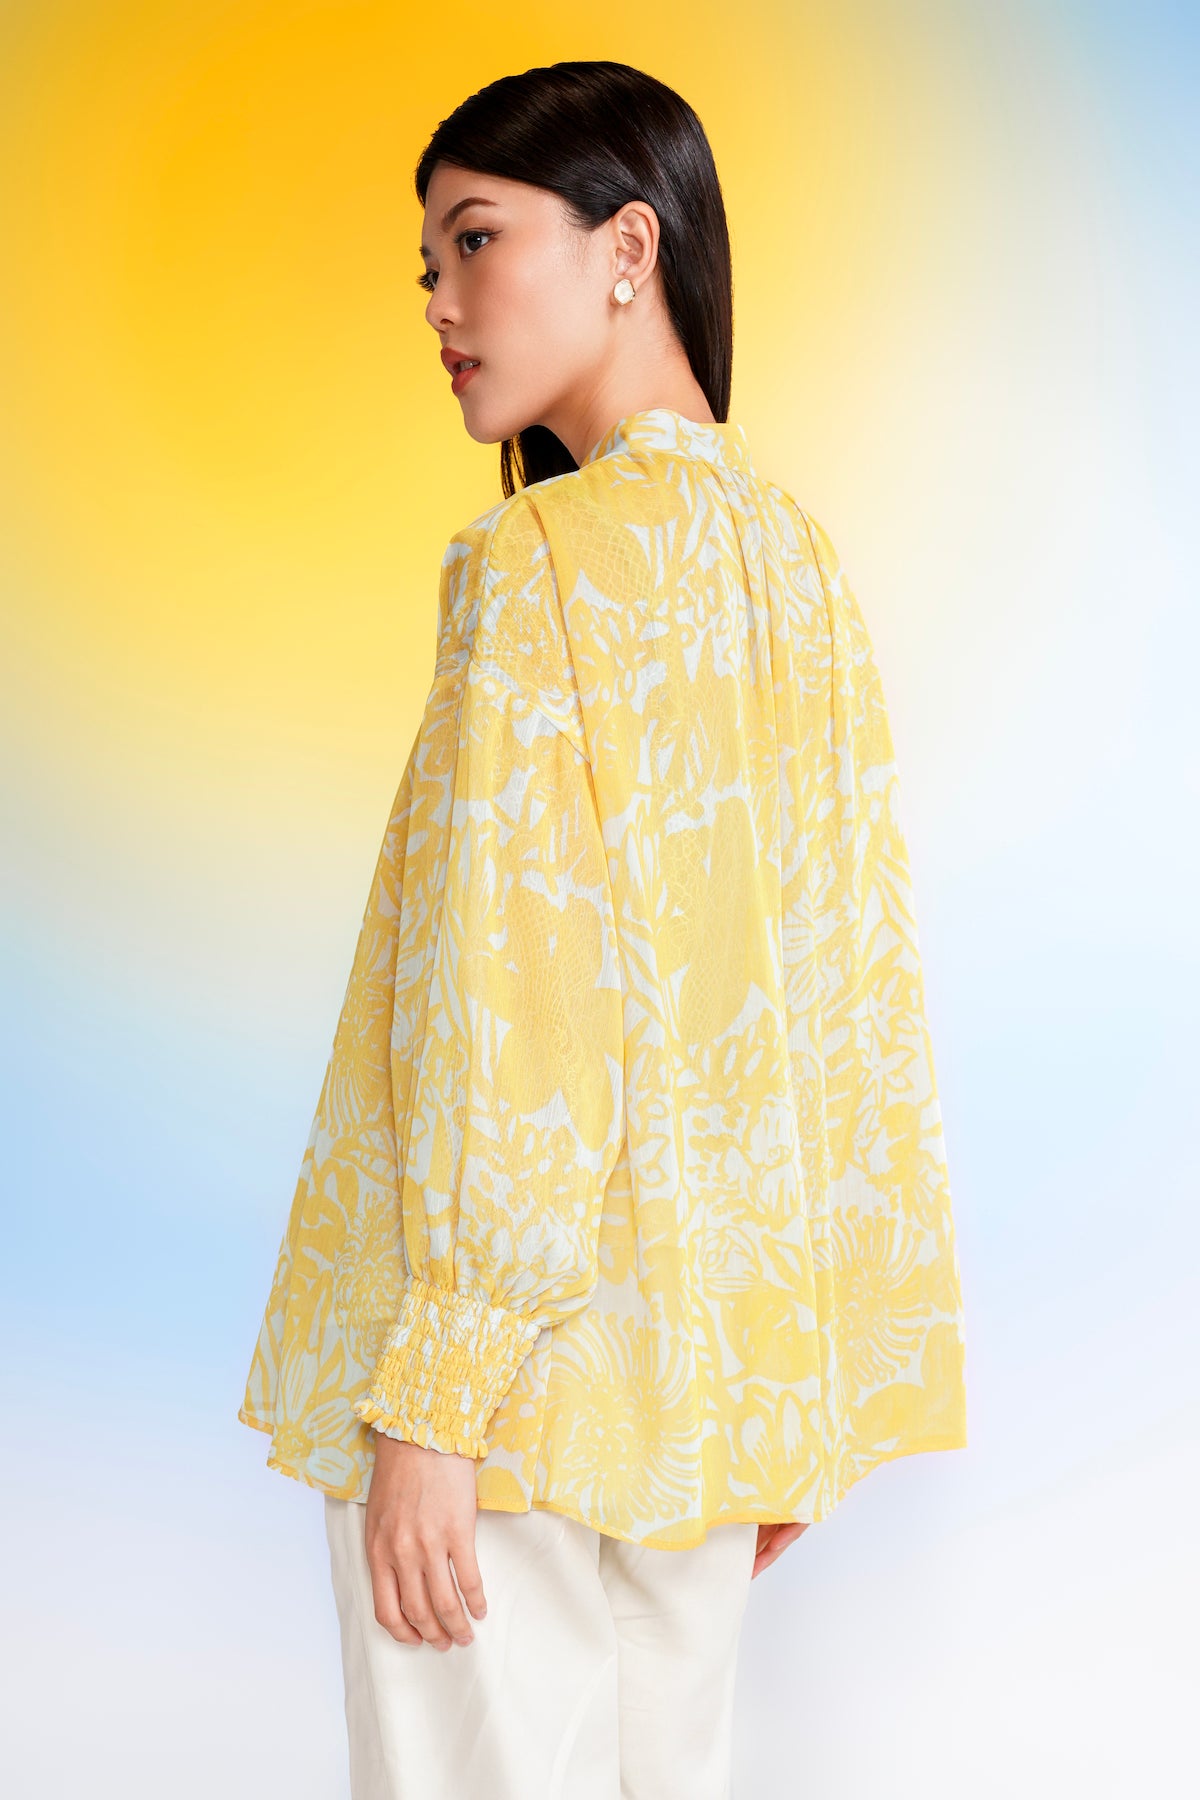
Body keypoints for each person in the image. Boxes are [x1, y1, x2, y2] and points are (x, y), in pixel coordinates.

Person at [238, 58, 968, 1800]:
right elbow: (850, 995)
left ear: (630, 247)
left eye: (477, 241)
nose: (439, 301)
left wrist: (435, 1395)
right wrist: (799, 1374)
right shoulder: (800, 570)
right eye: (426, 264)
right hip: (706, 1402)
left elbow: (516, 1003)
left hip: (507, 1413)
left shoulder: (541, 565)